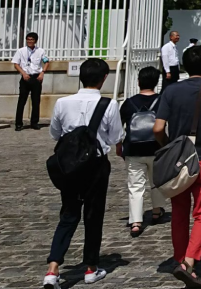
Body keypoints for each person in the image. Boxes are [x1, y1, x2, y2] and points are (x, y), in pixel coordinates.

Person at [154, 45, 201, 288]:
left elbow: (157, 128)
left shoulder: (171, 90)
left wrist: (168, 146)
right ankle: (189, 261)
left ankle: (179, 258)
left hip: (179, 160)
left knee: (179, 212)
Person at [43, 58, 124, 287]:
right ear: (104, 78)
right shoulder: (109, 105)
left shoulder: (62, 103)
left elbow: (55, 133)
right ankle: (90, 267)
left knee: (68, 214)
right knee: (93, 216)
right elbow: (115, 137)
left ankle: (53, 268)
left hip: (69, 166)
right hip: (96, 166)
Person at [120, 66, 167, 237]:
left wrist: (119, 146)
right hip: (156, 147)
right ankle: (156, 211)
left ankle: (136, 221)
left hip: (134, 148)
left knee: (135, 185)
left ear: (138, 81)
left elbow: (120, 127)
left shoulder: (129, 102)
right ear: (156, 83)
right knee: (156, 181)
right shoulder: (162, 101)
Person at [12, 31, 49, 131]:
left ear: (35, 41)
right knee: (22, 101)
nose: (29, 41)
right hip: (25, 77)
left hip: (36, 77)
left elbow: (46, 62)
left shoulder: (40, 51)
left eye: (31, 40)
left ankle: (34, 122)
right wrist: (23, 73)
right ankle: (18, 123)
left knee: (36, 101)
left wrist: (42, 73)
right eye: (28, 39)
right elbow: (16, 64)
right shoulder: (21, 51)